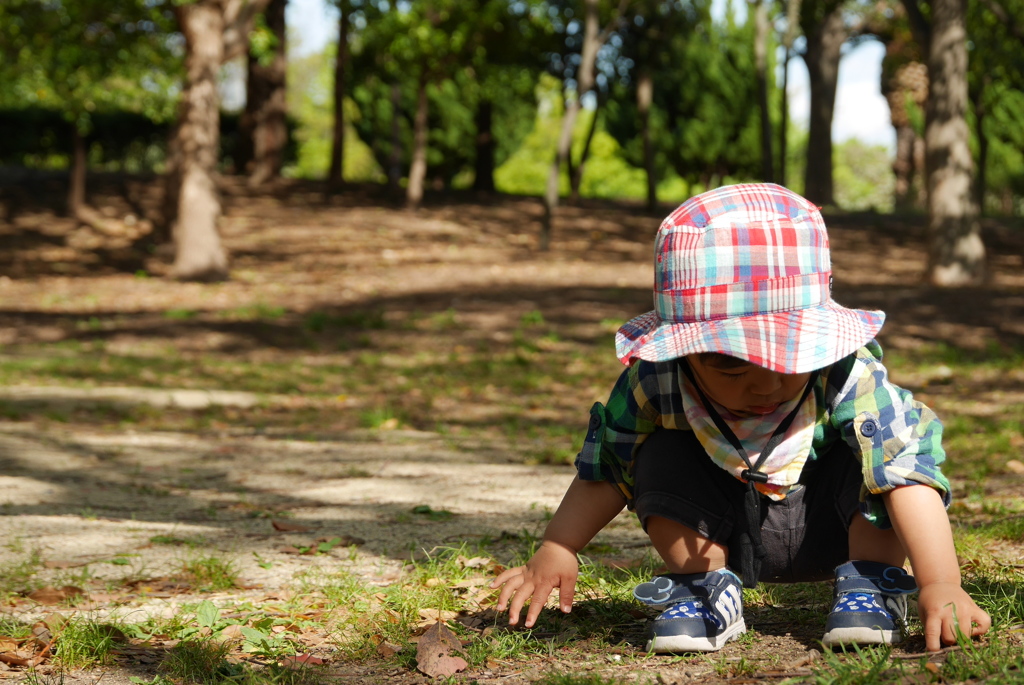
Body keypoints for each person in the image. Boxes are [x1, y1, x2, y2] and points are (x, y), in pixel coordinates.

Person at [490, 183, 991, 654]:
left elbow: (908, 471)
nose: (765, 384)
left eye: (787, 358)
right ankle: (706, 590)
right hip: (719, 529)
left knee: (873, 458)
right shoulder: (658, 381)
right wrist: (559, 545)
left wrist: (941, 582)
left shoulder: (846, 377)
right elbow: (609, 465)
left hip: (836, 529)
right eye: (730, 364)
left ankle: (873, 585)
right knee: (657, 452)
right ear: (687, 352)